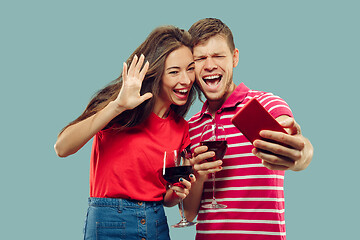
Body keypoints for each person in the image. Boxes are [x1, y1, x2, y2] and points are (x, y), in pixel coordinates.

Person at [54, 25, 198, 240]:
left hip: (155, 221)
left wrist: (177, 195)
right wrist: (117, 106)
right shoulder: (119, 109)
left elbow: (166, 198)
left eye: (190, 68)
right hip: (110, 221)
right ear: (156, 74)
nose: (186, 80)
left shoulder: (181, 128)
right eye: (174, 72)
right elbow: (62, 148)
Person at [183, 18, 314, 240]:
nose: (210, 65)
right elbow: (189, 212)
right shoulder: (191, 127)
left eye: (218, 56)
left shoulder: (268, 104)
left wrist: (301, 154)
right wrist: (198, 174)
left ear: (234, 58)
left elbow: (298, 145)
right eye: (200, 58)